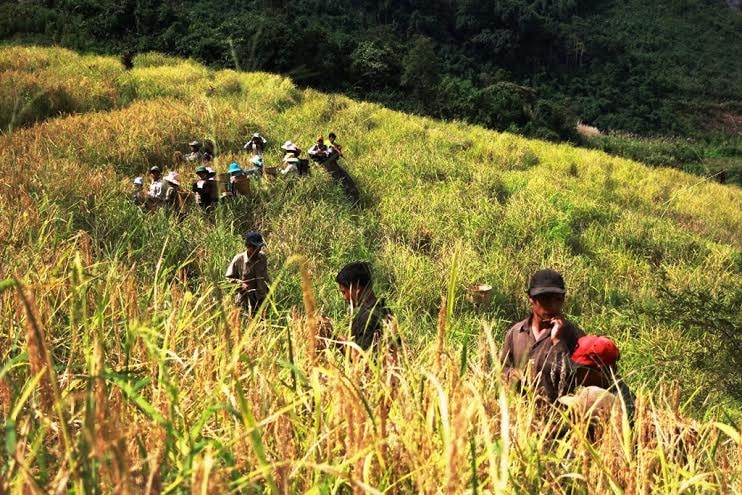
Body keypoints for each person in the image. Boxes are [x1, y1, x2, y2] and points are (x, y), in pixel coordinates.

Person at [499, 269, 585, 403]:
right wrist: (513, 375)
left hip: (557, 417)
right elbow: (503, 369)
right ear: (531, 299)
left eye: (558, 299)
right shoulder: (516, 333)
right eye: (545, 299)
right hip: (521, 415)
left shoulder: (573, 335)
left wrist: (558, 341)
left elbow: (577, 379)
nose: (552, 306)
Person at [560, 335, 636, 419]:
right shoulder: (599, 389)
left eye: (581, 369)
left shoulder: (619, 404)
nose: (576, 374)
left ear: (600, 371)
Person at [335, 262, 393, 351]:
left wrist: (333, 340)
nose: (344, 297)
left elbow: (362, 359)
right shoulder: (384, 309)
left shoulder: (367, 318)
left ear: (357, 288)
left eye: (344, 292)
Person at [226, 231, 270, 314]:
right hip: (245, 302)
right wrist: (240, 284)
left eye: (259, 247)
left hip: (261, 300)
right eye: (255, 247)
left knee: (262, 325)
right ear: (248, 246)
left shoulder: (262, 257)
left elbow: (265, 277)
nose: (258, 250)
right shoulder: (239, 259)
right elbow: (228, 278)